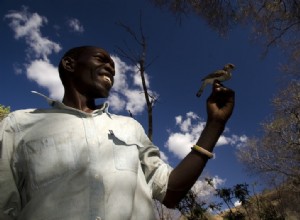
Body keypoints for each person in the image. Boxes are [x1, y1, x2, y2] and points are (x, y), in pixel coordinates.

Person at [0, 46, 235, 220]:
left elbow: (169, 192)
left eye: (114, 65)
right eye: (102, 59)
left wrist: (214, 125)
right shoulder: (19, 125)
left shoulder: (130, 127)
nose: (112, 68)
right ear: (69, 64)